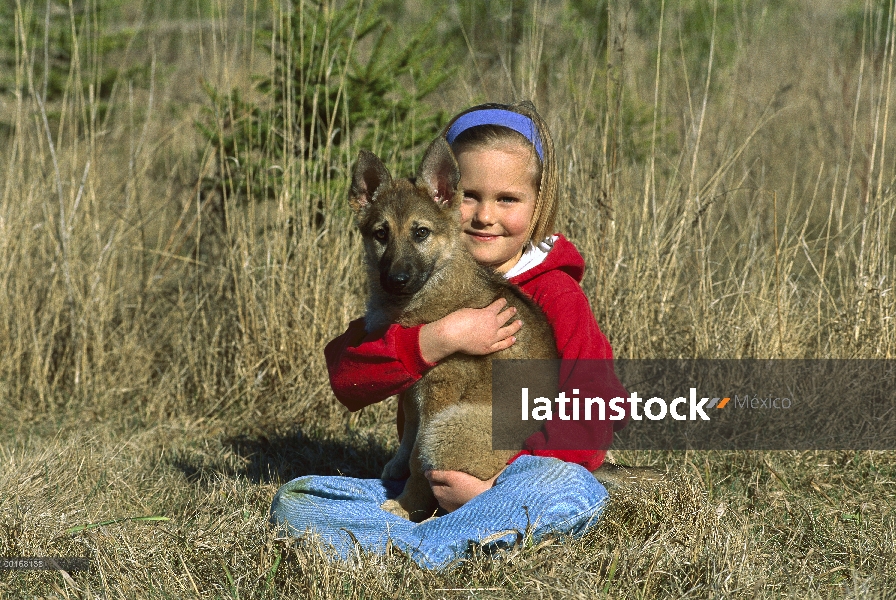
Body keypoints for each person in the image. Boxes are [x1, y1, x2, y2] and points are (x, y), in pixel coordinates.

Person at [270, 101, 628, 569]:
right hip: (434, 475)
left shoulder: (557, 295)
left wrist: (497, 478)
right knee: (296, 501)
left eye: (507, 199)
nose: (481, 216)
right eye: (470, 196)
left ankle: (425, 542)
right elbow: (348, 377)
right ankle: (462, 536)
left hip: (525, 467)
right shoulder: (420, 295)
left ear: (538, 203)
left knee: (568, 491)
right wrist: (436, 339)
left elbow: (600, 407)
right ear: (451, 199)